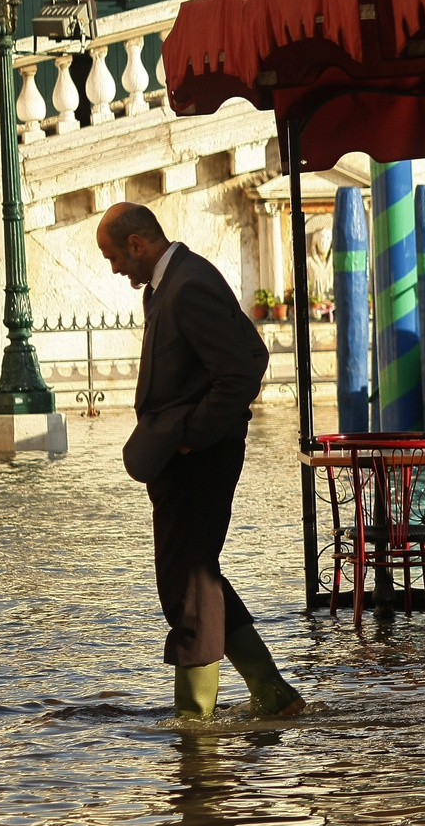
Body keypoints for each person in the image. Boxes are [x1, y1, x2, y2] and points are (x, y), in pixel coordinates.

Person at [95, 203, 306, 720]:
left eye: (114, 257)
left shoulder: (188, 285)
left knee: (187, 582)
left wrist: (192, 435)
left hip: (198, 462)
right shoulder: (173, 285)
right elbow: (253, 351)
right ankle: (273, 695)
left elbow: (240, 372)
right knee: (196, 576)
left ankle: (196, 721)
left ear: (137, 244)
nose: (114, 268)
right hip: (180, 462)